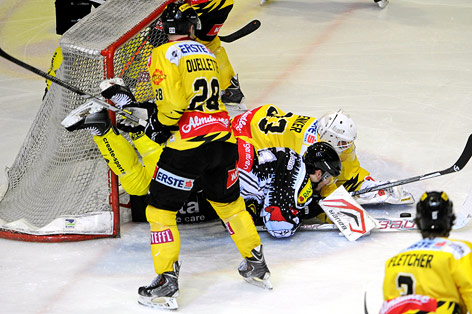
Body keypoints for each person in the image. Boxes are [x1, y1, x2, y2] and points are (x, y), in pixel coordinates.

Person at [64, 3, 271, 309]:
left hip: (189, 149)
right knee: (230, 206)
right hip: (223, 142)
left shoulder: (163, 54)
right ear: (192, 28)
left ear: (165, 30)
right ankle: (257, 265)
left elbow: (172, 104)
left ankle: (166, 283)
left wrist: (159, 125)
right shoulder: (207, 52)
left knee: (160, 211)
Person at [231, 104, 414, 207]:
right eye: (343, 143)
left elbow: (347, 167)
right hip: (248, 134)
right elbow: (312, 190)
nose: (347, 146)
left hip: (263, 119)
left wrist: (366, 183)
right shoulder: (306, 149)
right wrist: (337, 201)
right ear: (331, 138)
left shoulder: (326, 137)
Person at [380, 191, 472, 314]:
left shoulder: (394, 260)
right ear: (450, 220)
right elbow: (469, 289)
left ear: (418, 221)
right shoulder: (459, 251)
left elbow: (389, 304)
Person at [238, 141, 342, 238]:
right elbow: (280, 229)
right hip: (227, 181)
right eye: (329, 178)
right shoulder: (295, 176)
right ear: (319, 174)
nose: (328, 183)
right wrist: (304, 212)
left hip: (232, 165)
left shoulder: (293, 159)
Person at [186, 0, 246, 107]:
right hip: (223, 4)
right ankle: (229, 88)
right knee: (209, 43)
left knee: (160, 40)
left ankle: (154, 84)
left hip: (201, 6)